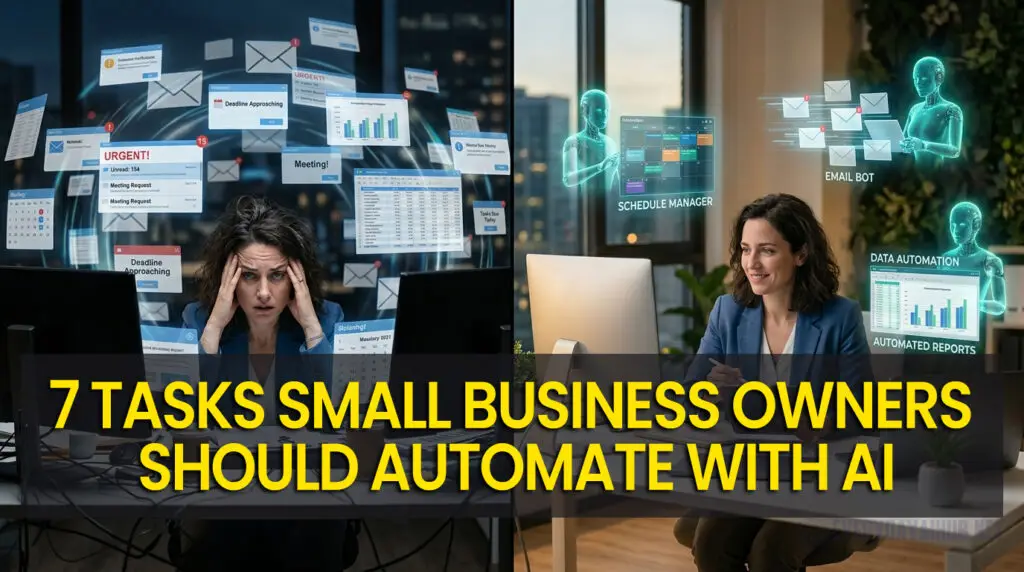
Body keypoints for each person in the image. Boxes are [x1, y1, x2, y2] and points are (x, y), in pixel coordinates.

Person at [680, 193, 876, 572]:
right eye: (745, 249)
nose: (751, 263)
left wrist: (768, 404)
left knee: (771, 552)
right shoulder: (728, 312)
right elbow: (688, 394)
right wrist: (707, 390)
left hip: (818, 475)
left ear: (800, 254)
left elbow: (860, 409)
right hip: (751, 471)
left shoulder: (840, 317)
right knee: (709, 544)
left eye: (766, 250)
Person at [175, 195, 357, 571]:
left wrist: (310, 327)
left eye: (277, 276)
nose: (263, 292)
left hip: (304, 487)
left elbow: (342, 414)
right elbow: (183, 413)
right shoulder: (199, 320)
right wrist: (213, 328)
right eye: (248, 276)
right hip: (226, 486)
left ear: (296, 279)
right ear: (227, 280)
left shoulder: (326, 319)